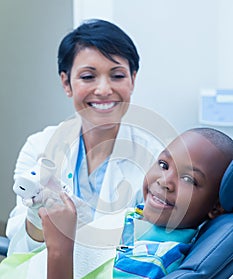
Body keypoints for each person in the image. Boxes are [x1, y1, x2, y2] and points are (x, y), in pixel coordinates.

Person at [2, 127, 232, 279]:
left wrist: (60, 247)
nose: (164, 181)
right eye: (163, 164)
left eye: (189, 179)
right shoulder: (144, 218)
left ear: (215, 207)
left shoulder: (150, 263)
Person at [5, 18, 162, 256]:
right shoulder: (39, 146)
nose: (103, 89)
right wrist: (37, 217)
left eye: (117, 76)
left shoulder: (157, 157)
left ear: (133, 80)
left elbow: (154, 246)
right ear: (66, 83)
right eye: (88, 77)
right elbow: (20, 246)